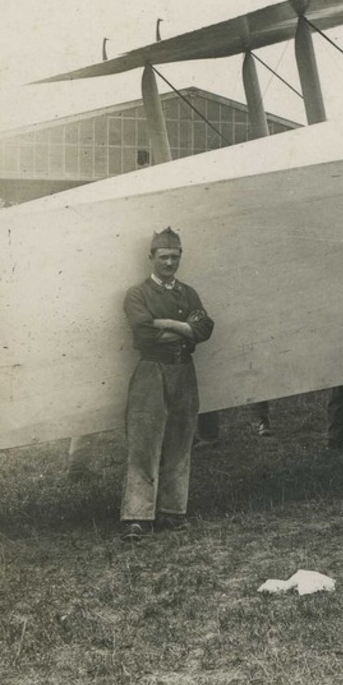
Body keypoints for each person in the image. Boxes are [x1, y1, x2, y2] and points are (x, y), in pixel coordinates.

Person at [120, 227, 215, 540]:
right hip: (151, 371)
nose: (169, 263)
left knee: (180, 439)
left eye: (175, 257)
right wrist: (187, 327)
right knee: (144, 443)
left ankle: (172, 513)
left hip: (183, 371)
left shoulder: (188, 293)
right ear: (151, 257)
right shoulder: (137, 294)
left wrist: (169, 324)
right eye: (163, 257)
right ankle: (137, 517)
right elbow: (143, 333)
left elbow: (205, 329)